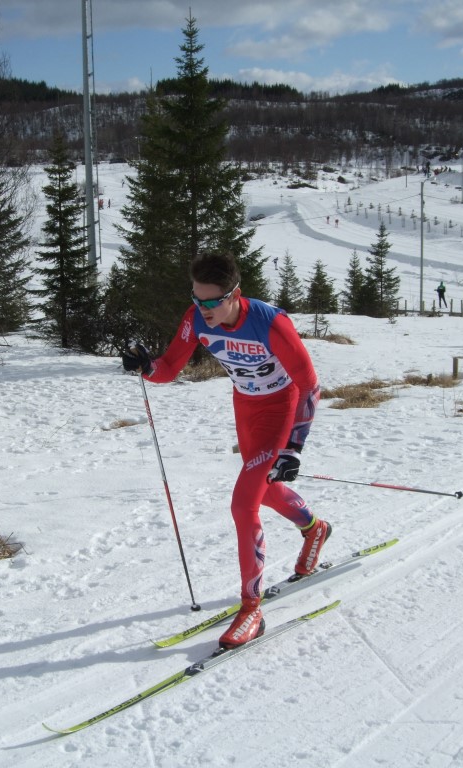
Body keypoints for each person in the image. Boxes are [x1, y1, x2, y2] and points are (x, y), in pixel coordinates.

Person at [121, 252, 327, 649]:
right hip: (246, 409)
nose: (204, 309)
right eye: (197, 299)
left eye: (213, 301)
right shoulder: (197, 318)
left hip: (281, 410)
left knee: (243, 504)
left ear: (235, 294)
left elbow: (309, 385)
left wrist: (294, 447)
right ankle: (315, 528)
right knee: (264, 491)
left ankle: (252, 609)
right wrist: (145, 366)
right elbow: (168, 368)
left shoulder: (270, 323)